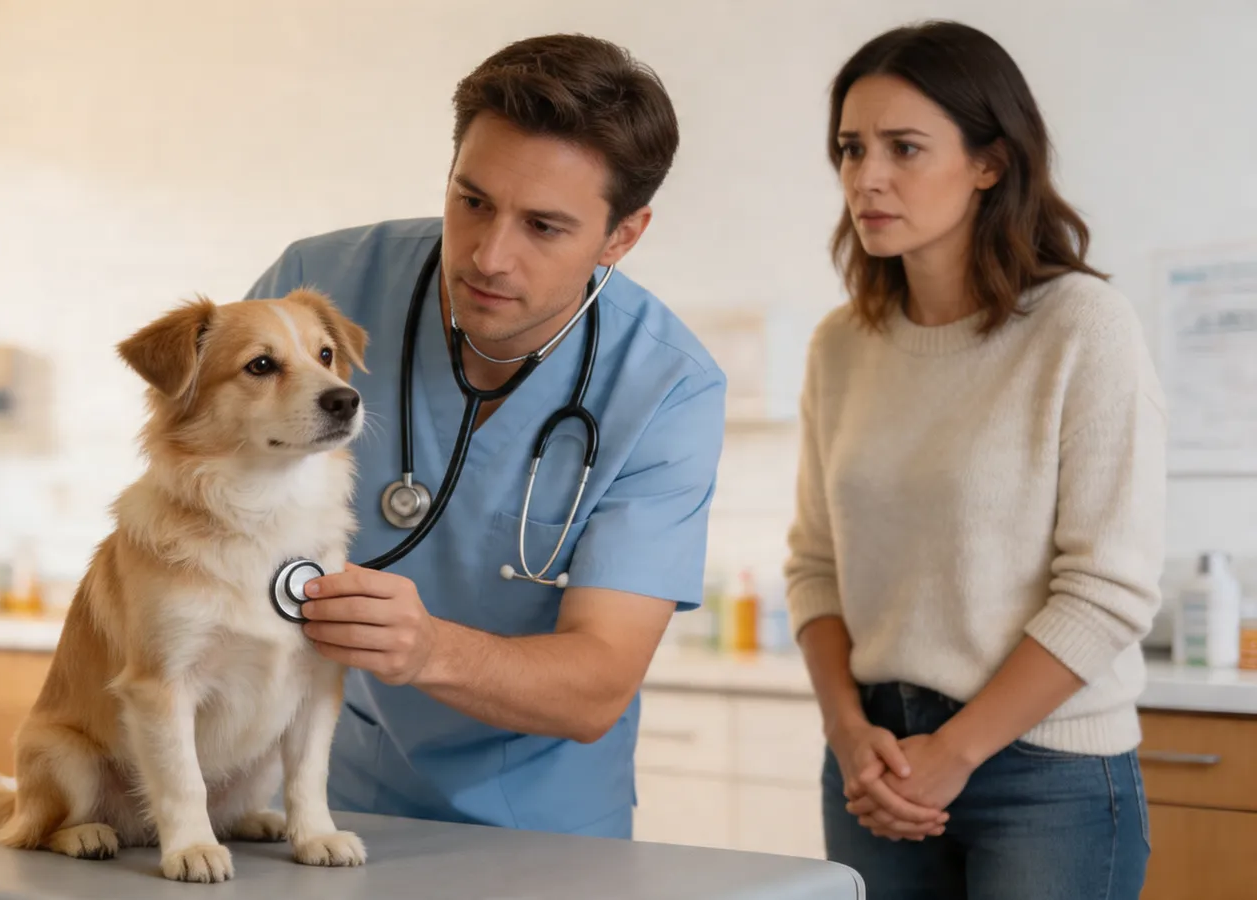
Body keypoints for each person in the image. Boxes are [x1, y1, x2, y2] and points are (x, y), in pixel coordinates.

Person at [240, 33, 726, 839]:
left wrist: (428, 649)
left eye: (543, 226)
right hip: (321, 793)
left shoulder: (666, 388)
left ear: (622, 236)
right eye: (472, 202)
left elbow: (598, 682)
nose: (489, 256)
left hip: (541, 828)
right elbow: (207, 490)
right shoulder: (321, 293)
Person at [783, 19, 1166, 899]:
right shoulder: (840, 345)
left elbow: (1107, 587)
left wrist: (955, 752)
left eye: (904, 148)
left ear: (990, 162)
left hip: (1047, 772)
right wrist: (848, 733)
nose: (865, 178)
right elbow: (815, 568)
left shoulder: (1081, 327)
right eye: (850, 148)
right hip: (874, 762)